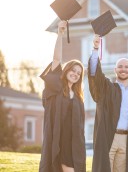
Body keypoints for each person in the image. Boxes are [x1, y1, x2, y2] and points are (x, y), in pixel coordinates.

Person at [88, 34, 128, 172]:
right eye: (120, 66)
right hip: (109, 138)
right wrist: (95, 48)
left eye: (126, 67)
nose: (123, 69)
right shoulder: (107, 89)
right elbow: (95, 75)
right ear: (115, 70)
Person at [39, 21, 86, 172]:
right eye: (73, 70)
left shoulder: (78, 98)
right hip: (57, 140)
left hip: (74, 144)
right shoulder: (56, 87)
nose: (75, 74)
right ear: (66, 70)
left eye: (79, 73)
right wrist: (60, 34)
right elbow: (56, 60)